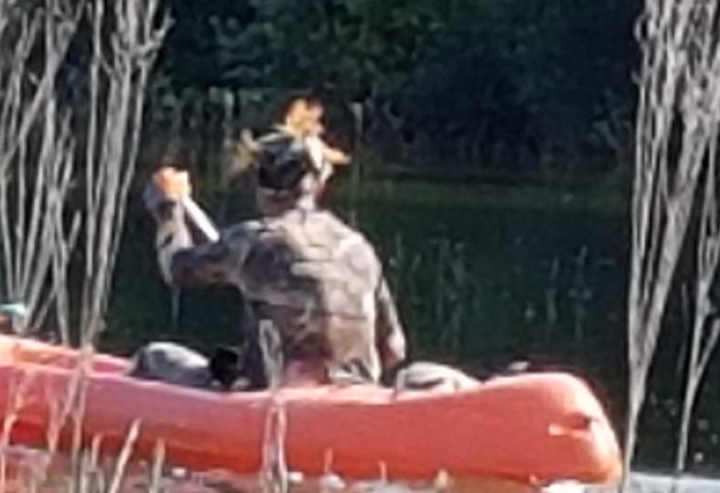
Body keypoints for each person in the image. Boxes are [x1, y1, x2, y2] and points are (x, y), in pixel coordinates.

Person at [132, 100, 469, 392]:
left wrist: (168, 210)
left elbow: (175, 268)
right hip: (353, 397)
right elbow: (394, 348)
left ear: (261, 184)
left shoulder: (251, 241)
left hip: (271, 398)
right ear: (319, 184)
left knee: (156, 356)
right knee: (226, 360)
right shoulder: (358, 247)